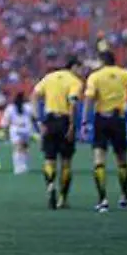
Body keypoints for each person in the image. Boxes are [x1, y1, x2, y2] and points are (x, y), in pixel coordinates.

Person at [83, 50, 127, 212]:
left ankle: (102, 199)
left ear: (101, 61)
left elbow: (90, 98)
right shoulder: (124, 74)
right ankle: (125, 195)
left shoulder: (95, 76)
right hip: (119, 119)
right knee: (122, 159)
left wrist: (84, 120)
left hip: (101, 119)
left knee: (99, 159)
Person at [34, 55, 83, 209]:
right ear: (74, 66)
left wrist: (38, 120)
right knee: (66, 163)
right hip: (64, 121)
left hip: (49, 120)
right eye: (80, 68)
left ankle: (50, 186)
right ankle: (63, 199)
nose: (81, 71)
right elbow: (73, 104)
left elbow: (34, 95)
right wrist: (72, 126)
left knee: (49, 160)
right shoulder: (75, 81)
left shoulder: (49, 77)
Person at [4, 92, 38, 174]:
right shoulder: (11, 108)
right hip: (17, 129)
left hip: (24, 129)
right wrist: (6, 132)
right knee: (19, 147)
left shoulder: (27, 107)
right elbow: (7, 121)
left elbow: (34, 117)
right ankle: (18, 167)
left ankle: (23, 166)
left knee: (24, 148)